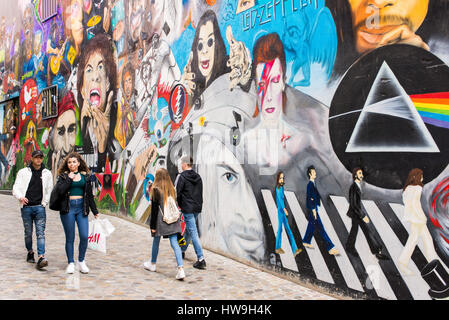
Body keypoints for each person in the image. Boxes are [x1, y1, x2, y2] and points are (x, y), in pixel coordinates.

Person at [52, 152, 99, 274]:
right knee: (70, 237)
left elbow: (89, 196)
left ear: (78, 163)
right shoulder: (63, 177)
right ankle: (71, 263)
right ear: (67, 164)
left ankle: (81, 261)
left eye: (74, 162)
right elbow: (60, 191)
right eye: (69, 162)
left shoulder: (85, 177)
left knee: (84, 236)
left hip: (81, 208)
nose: (71, 164)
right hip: (68, 209)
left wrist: (95, 211)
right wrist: (69, 179)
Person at [12, 150, 53, 269]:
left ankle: (41, 257)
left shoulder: (47, 173)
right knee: (28, 233)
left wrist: (44, 203)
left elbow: (49, 189)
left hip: (39, 208)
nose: (38, 160)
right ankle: (30, 252)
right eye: (36, 157)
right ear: (32, 158)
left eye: (40, 157)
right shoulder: (23, 172)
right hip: (26, 208)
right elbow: (16, 187)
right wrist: (20, 197)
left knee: (40, 233)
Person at [143, 168, 185, 280]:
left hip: (161, 221)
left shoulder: (156, 190)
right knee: (174, 243)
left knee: (156, 241)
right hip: (173, 219)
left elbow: (154, 211)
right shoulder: (172, 189)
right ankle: (180, 269)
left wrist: (152, 227)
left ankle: (152, 263)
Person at [398, 168, 439, 275]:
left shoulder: (407, 189)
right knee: (415, 240)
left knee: (423, 239)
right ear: (416, 177)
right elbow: (416, 205)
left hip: (412, 218)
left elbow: (407, 203)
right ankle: (402, 262)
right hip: (418, 219)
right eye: (421, 175)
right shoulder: (417, 188)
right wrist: (421, 217)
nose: (422, 177)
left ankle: (432, 259)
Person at [345, 167, 389, 260]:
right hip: (356, 213)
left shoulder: (357, 185)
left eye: (361, 174)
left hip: (356, 213)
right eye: (360, 174)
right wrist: (363, 215)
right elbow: (354, 204)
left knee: (356, 230)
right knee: (366, 230)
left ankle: (350, 247)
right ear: (356, 175)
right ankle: (376, 251)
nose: (362, 175)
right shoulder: (354, 187)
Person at [175, 156, 206, 269]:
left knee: (193, 232)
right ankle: (182, 249)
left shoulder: (182, 177)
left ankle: (201, 258)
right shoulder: (198, 177)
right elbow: (200, 192)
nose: (181, 165)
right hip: (196, 208)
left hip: (187, 208)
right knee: (188, 230)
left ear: (185, 164)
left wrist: (179, 206)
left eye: (182, 163)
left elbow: (177, 192)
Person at [302, 166, 339, 255]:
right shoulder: (310, 185)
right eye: (313, 172)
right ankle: (330, 248)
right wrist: (314, 210)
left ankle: (306, 241)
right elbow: (310, 198)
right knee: (321, 229)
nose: (315, 173)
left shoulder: (312, 184)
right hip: (312, 210)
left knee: (311, 226)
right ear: (310, 174)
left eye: (315, 172)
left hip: (313, 209)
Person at [274, 171, 302, 257]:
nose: (282, 179)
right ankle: (277, 247)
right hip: (280, 211)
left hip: (282, 211)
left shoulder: (281, 188)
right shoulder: (278, 189)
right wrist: (284, 209)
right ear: (278, 179)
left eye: (283, 178)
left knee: (288, 230)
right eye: (280, 178)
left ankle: (295, 249)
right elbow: (280, 200)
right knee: (280, 229)